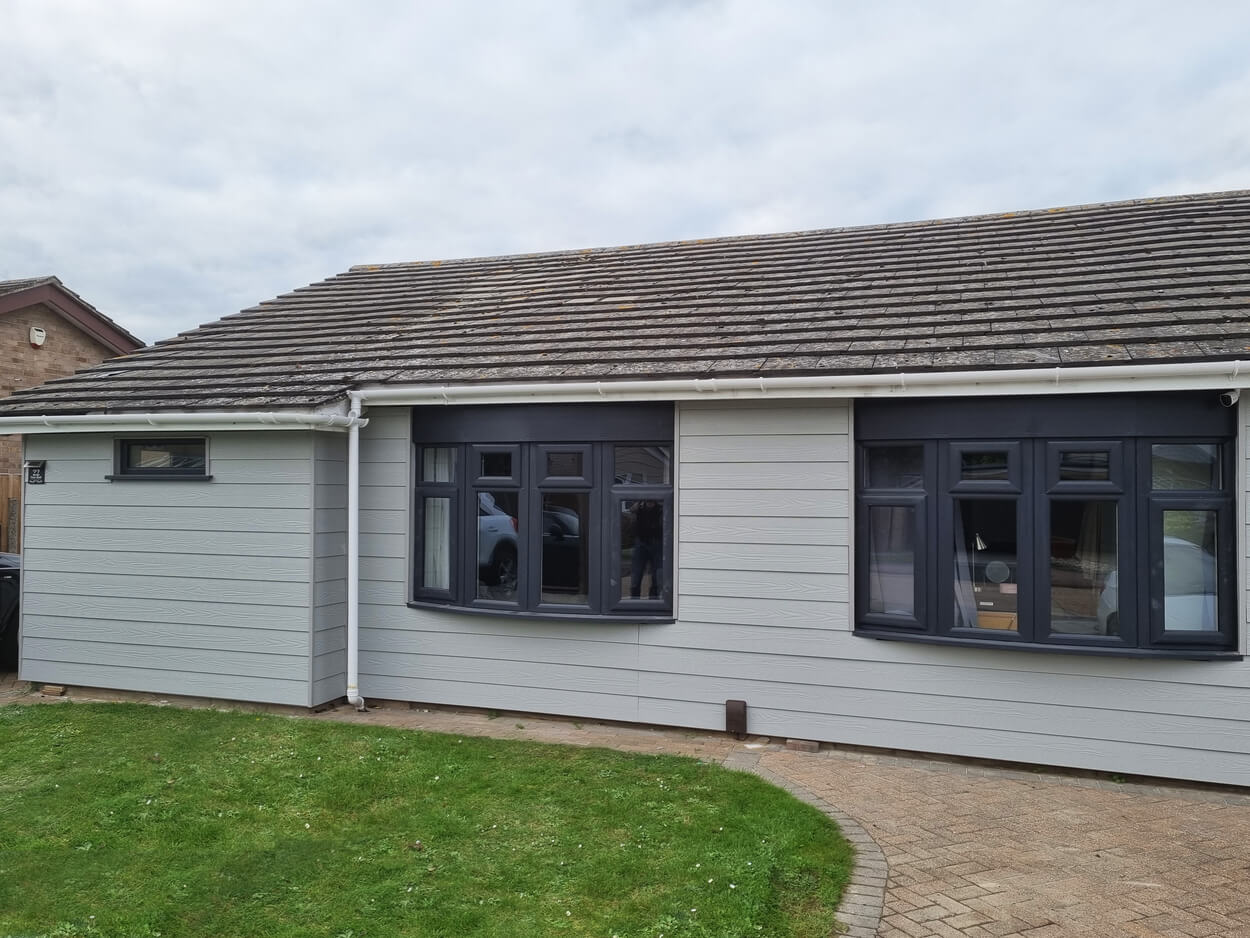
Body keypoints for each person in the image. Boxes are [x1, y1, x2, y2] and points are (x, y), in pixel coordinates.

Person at [630, 499, 664, 599]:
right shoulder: (638, 508)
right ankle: (634, 601)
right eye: (648, 499)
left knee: (656, 575)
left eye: (652, 500)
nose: (650, 501)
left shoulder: (661, 509)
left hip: (657, 543)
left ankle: (653, 601)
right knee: (636, 573)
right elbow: (631, 524)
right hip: (641, 542)